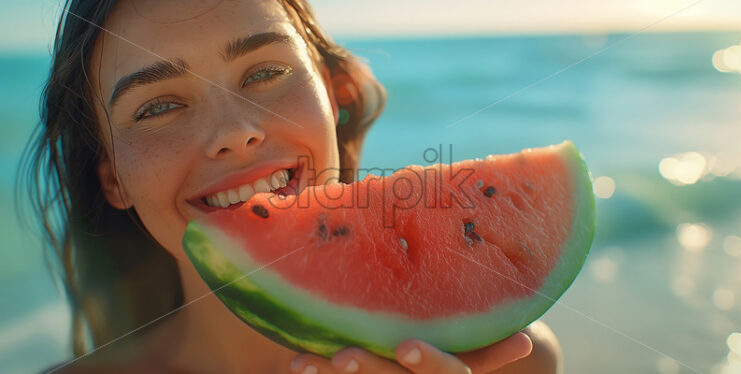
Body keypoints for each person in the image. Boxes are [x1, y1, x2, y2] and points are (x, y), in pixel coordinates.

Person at [22, 0, 563, 372]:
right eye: (159, 106)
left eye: (264, 74)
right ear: (114, 178)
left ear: (333, 98)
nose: (234, 133)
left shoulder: (509, 364)